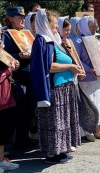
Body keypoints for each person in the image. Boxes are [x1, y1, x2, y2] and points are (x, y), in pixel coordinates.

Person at [30, 9, 82, 163]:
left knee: (62, 121)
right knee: (54, 122)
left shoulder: (52, 39)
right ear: (45, 24)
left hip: (64, 86)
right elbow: (47, 66)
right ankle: (52, 154)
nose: (56, 28)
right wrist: (69, 67)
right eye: (54, 25)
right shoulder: (41, 41)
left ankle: (60, 151)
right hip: (55, 87)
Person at [74, 16, 100, 141]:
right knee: (89, 105)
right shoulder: (78, 41)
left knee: (99, 104)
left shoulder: (98, 38)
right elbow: (77, 59)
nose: (93, 29)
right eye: (91, 26)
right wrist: (89, 69)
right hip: (88, 78)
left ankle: (97, 130)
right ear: (84, 26)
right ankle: (87, 131)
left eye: (94, 26)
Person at [2, 6, 35, 151]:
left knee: (30, 108)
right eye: (19, 17)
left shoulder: (26, 33)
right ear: (10, 19)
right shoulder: (6, 34)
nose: (23, 19)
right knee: (20, 109)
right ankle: (18, 141)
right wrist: (17, 56)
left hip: (30, 75)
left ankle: (25, 138)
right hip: (18, 76)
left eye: (23, 17)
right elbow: (2, 54)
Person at [0, 18, 20, 173]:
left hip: (5, 97)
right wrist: (8, 70)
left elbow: (12, 61)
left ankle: (0, 159)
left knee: (2, 130)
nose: (0, 32)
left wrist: (15, 63)